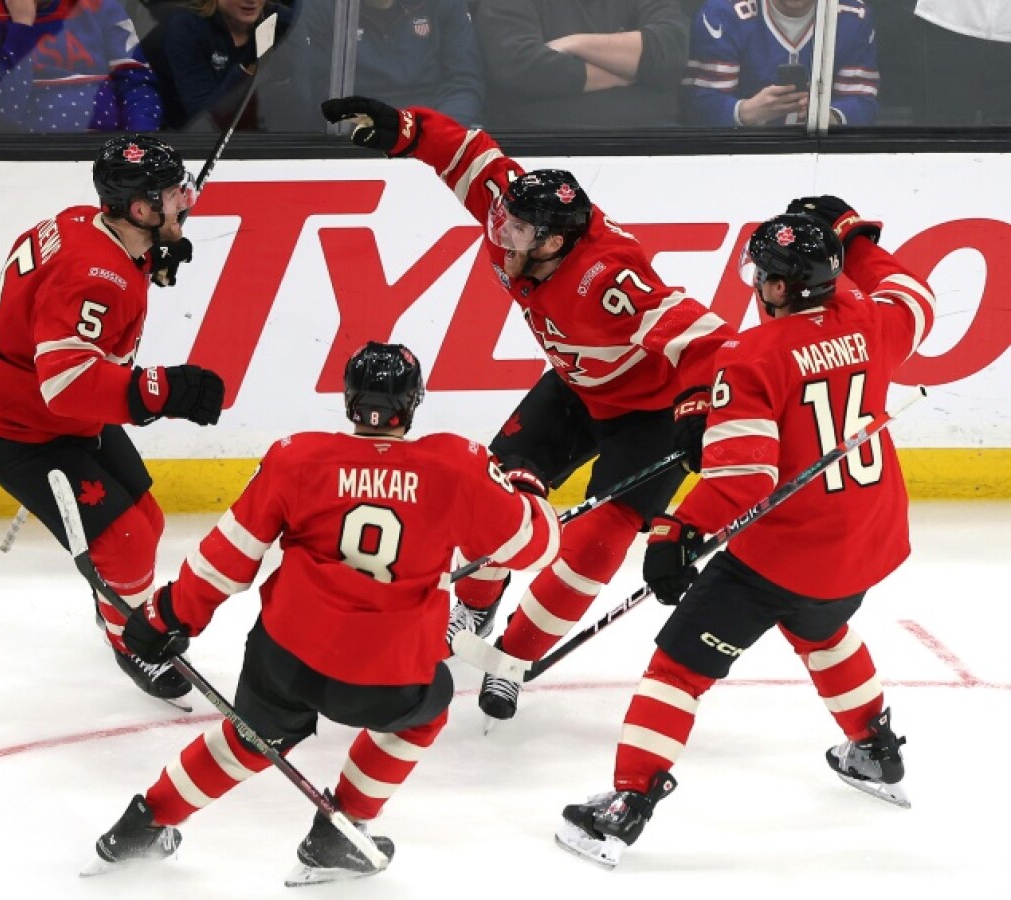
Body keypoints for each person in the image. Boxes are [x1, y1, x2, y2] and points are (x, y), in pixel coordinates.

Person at [320, 96, 735, 725]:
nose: (499, 235)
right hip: (575, 389)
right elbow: (469, 156)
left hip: (649, 418)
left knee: (594, 546)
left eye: (516, 231)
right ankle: (478, 604)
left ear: (557, 240)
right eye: (503, 222)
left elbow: (708, 339)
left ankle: (511, 660)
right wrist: (403, 129)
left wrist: (705, 408)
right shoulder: (519, 214)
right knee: (494, 493)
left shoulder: (611, 276)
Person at [82, 342, 561, 885]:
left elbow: (228, 559)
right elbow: (535, 548)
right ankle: (340, 830)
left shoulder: (298, 458)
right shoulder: (457, 466)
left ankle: (142, 825)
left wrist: (169, 615)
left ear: (350, 402)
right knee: (427, 713)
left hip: (286, 654)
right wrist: (525, 492)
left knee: (251, 737)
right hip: (391, 669)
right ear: (415, 402)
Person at [555, 197, 936, 869]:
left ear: (781, 287)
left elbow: (746, 479)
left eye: (761, 274)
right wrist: (854, 236)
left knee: (677, 670)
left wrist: (675, 528)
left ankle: (626, 804)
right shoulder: (868, 320)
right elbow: (915, 296)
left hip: (780, 557)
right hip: (864, 546)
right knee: (822, 629)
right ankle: (876, 751)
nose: (754, 284)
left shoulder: (753, 354)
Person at [0, 135, 226, 706]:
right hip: (14, 426)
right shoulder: (96, 275)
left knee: (149, 519)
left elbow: (46, 303)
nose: (186, 199)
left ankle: (112, 602)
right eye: (171, 193)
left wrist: (147, 256)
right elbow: (65, 384)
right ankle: (128, 640)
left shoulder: (82, 224)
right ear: (138, 209)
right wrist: (164, 389)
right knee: (128, 539)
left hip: (44, 405)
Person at [472, 0, 689, 130]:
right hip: (543, 150)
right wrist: (632, 68)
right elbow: (519, 67)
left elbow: (671, 53)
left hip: (655, 147)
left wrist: (574, 44)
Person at [284, 0, 486, 129]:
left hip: (435, 130)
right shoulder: (320, 8)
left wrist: (436, 130)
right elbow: (316, 88)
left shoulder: (443, 5)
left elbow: (464, 82)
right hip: (357, 139)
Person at [0, 0, 162, 133]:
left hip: (105, 153)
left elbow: (137, 85)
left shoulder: (101, 6)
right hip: (20, 154)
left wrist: (138, 145)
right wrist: (22, 24)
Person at [680, 0, 879, 127]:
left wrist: (829, 117)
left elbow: (862, 101)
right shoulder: (723, 13)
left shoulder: (853, 17)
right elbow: (698, 104)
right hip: (739, 159)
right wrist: (746, 111)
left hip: (822, 161)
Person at [141, 0, 291, 130]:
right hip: (193, 144)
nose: (252, 0)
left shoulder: (284, 22)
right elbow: (203, 116)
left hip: (264, 135)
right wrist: (247, 73)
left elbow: (302, 103)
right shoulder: (187, 27)